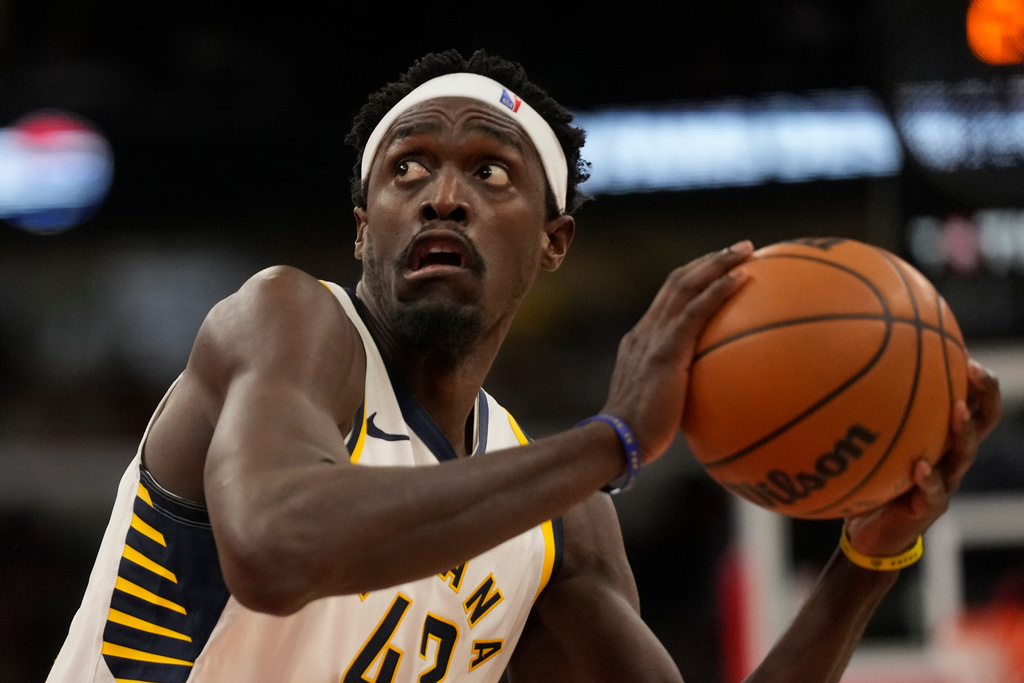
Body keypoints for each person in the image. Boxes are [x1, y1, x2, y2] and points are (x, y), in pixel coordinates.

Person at [47, 49, 1001, 683]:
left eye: (490, 172)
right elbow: (275, 548)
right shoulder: (291, 322)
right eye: (407, 171)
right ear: (362, 227)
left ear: (554, 240)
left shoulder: (559, 525)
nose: (443, 197)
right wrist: (611, 438)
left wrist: (867, 557)